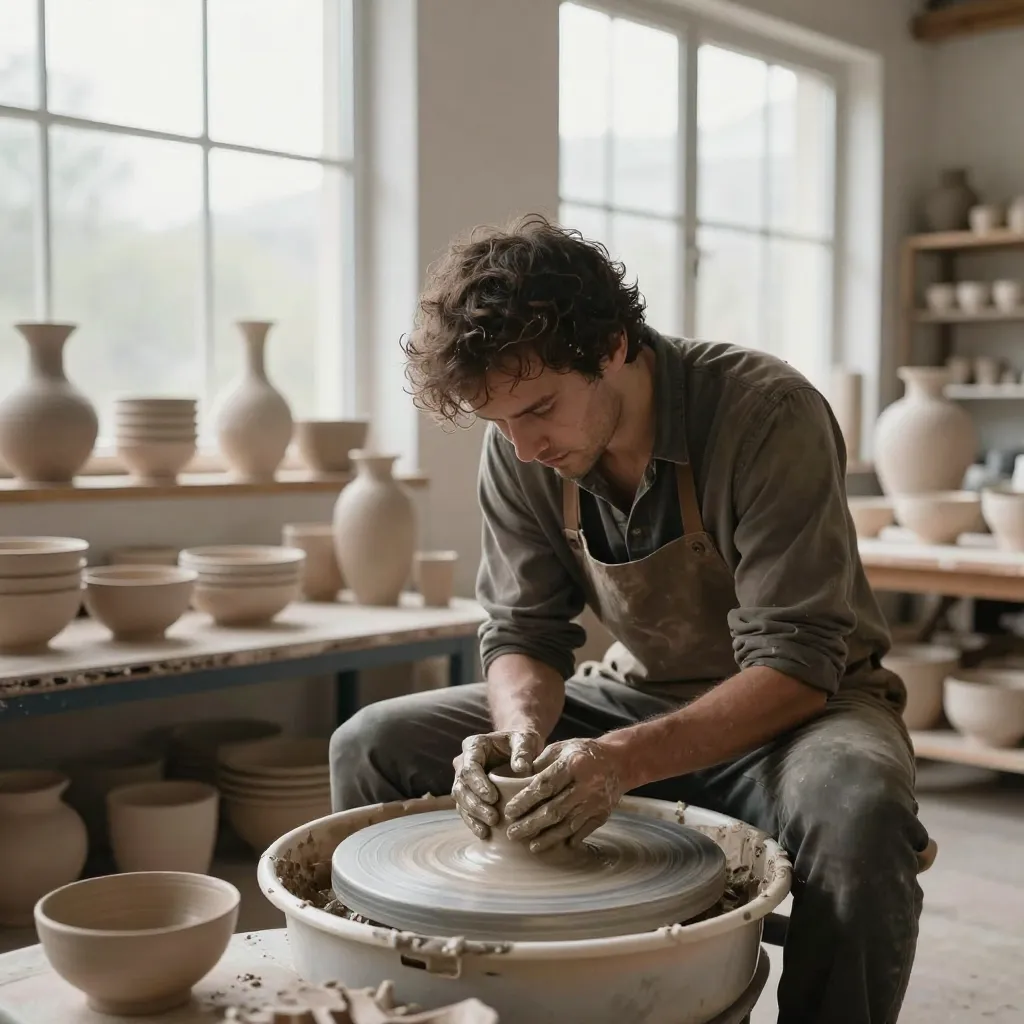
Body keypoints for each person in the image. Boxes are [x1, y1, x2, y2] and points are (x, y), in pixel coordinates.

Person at [330, 214, 929, 1024]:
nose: (523, 443)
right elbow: (521, 632)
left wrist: (615, 762)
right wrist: (521, 741)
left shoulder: (764, 415)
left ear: (613, 344)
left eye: (539, 408)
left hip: (802, 716)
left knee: (858, 807)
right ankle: (432, 1005)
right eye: (498, 421)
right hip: (636, 698)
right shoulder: (520, 447)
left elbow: (798, 664)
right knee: (372, 744)